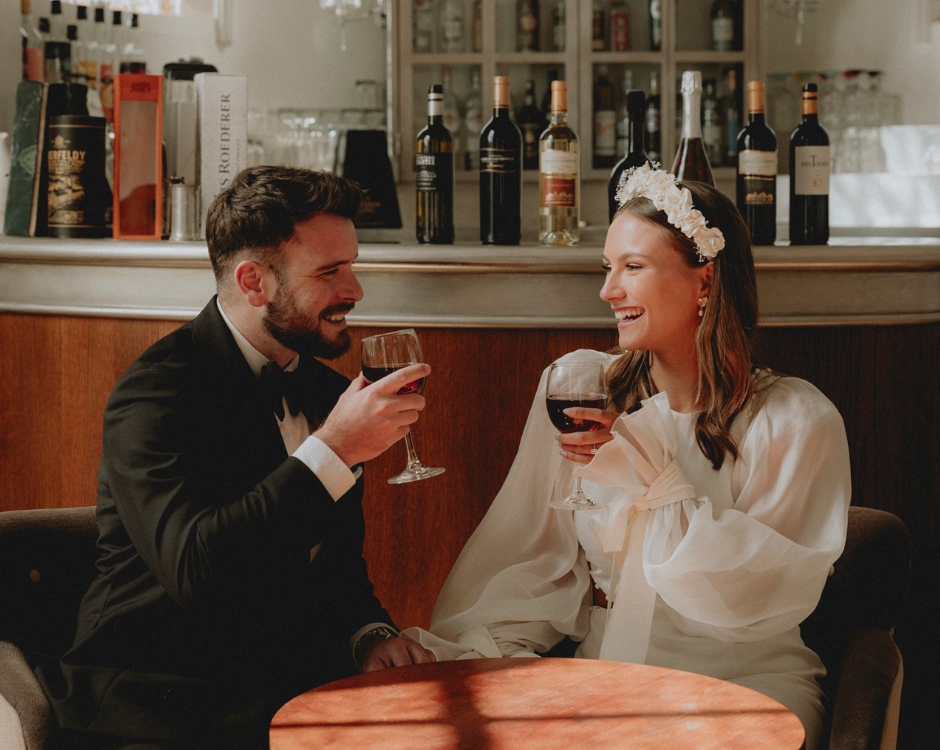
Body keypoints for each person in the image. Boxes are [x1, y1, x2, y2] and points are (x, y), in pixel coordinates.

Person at [404, 163, 850, 749]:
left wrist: (651, 471)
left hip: (748, 686)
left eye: (632, 268)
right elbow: (525, 560)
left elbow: (751, 600)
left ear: (705, 281)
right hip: (608, 678)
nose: (608, 290)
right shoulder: (581, 388)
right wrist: (490, 662)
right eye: (607, 267)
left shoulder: (795, 421)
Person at [37, 166, 436, 749]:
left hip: (283, 687)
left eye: (351, 266)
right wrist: (334, 450)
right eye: (330, 272)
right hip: (155, 700)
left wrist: (370, 635)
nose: (354, 291)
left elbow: (332, 568)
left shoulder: (328, 394)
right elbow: (200, 574)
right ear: (254, 282)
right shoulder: (155, 394)